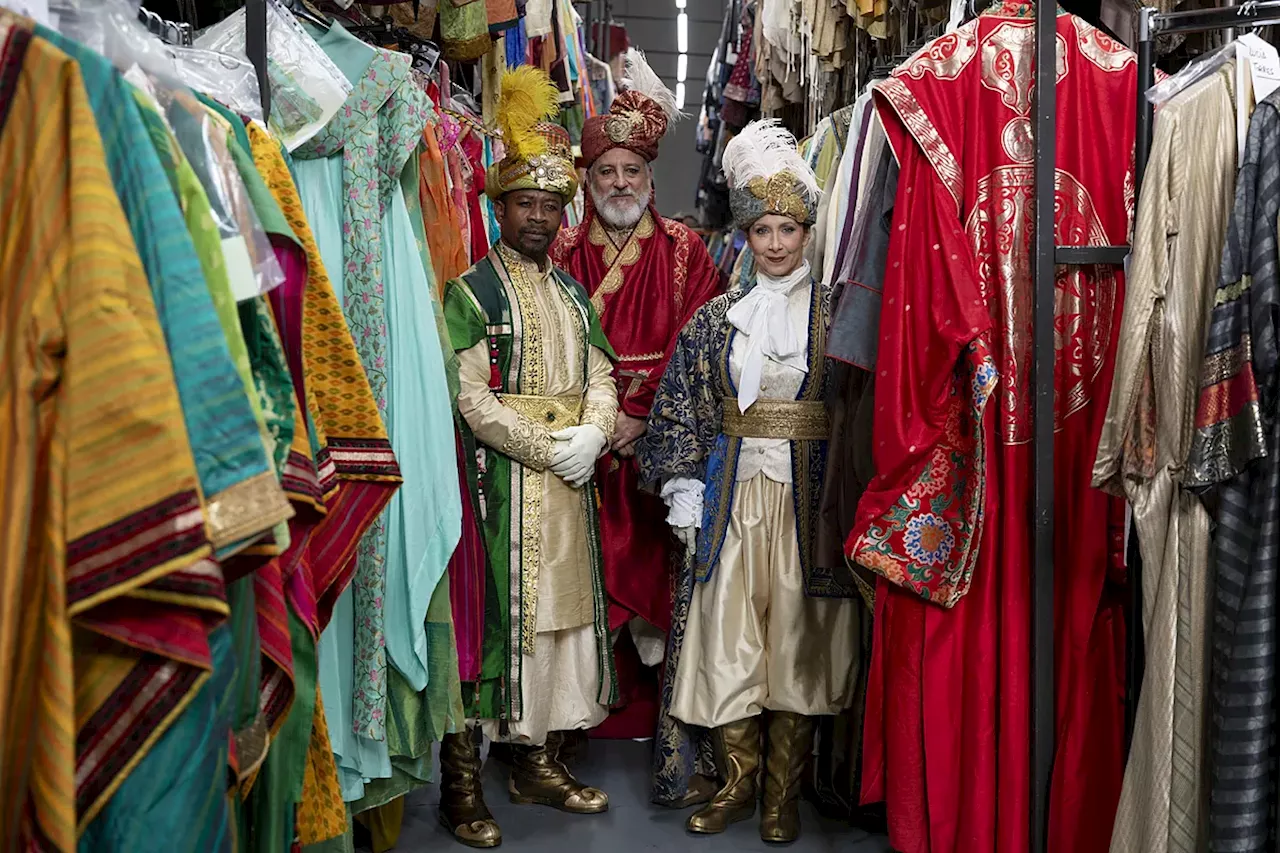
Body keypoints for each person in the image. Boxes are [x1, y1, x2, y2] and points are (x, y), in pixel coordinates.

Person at [637, 119, 861, 843]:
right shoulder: (713, 320)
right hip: (734, 499)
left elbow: (861, 412)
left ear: (805, 232)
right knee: (727, 636)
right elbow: (678, 403)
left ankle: (782, 794)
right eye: (761, 228)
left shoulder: (838, 319)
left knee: (797, 640)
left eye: (787, 228)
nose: (773, 243)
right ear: (746, 233)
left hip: (807, 503)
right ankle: (735, 780)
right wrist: (681, 486)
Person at [439, 67, 620, 848]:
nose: (540, 217)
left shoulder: (578, 295)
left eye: (551, 206)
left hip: (569, 487)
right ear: (500, 207)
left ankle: (535, 760)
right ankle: (460, 785)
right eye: (526, 205)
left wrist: (595, 435)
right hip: (499, 487)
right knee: (489, 625)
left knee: (558, 623)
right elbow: (468, 395)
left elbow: (605, 373)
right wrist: (548, 445)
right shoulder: (471, 289)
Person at [550, 48, 723, 672]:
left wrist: (644, 416)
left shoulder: (686, 250)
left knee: (658, 580)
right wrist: (601, 419)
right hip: (580, 442)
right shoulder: (564, 250)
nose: (620, 183)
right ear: (588, 180)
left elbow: (703, 346)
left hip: (658, 445)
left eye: (631, 170)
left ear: (649, 178)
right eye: (606, 172)